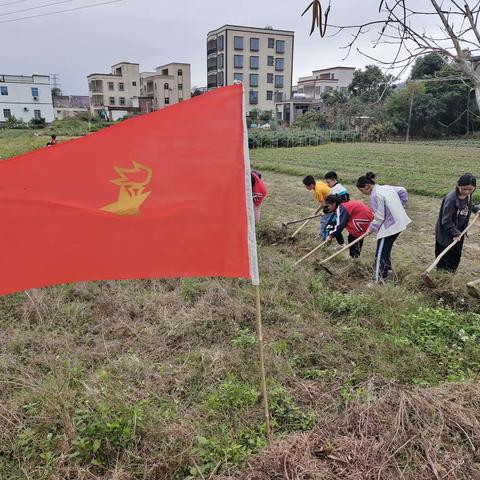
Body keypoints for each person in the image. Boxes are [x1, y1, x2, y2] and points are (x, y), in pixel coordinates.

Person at [357, 172, 411, 283]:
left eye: (362, 191)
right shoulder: (385, 187)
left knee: (380, 253)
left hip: (390, 227)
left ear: (367, 186)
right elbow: (403, 190)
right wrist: (402, 204)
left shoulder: (375, 195)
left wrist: (371, 229)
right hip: (399, 222)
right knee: (385, 249)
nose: (363, 193)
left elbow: (379, 217)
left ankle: (378, 280)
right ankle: (388, 269)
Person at [435, 173, 479, 272]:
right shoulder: (451, 199)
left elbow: (469, 205)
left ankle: (451, 274)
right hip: (447, 233)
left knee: (455, 256)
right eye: (464, 189)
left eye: (470, 189)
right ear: (458, 185)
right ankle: (441, 275)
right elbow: (446, 220)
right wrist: (454, 232)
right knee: (445, 256)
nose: (467, 192)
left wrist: (476, 209)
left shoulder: (468, 196)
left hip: (460, 232)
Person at [302, 175, 337, 242]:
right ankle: (323, 235)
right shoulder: (318, 183)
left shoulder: (317, 191)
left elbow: (323, 204)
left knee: (324, 221)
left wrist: (316, 212)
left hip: (331, 204)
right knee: (325, 220)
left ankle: (323, 236)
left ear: (311, 185)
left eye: (306, 185)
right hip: (333, 200)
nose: (305, 187)